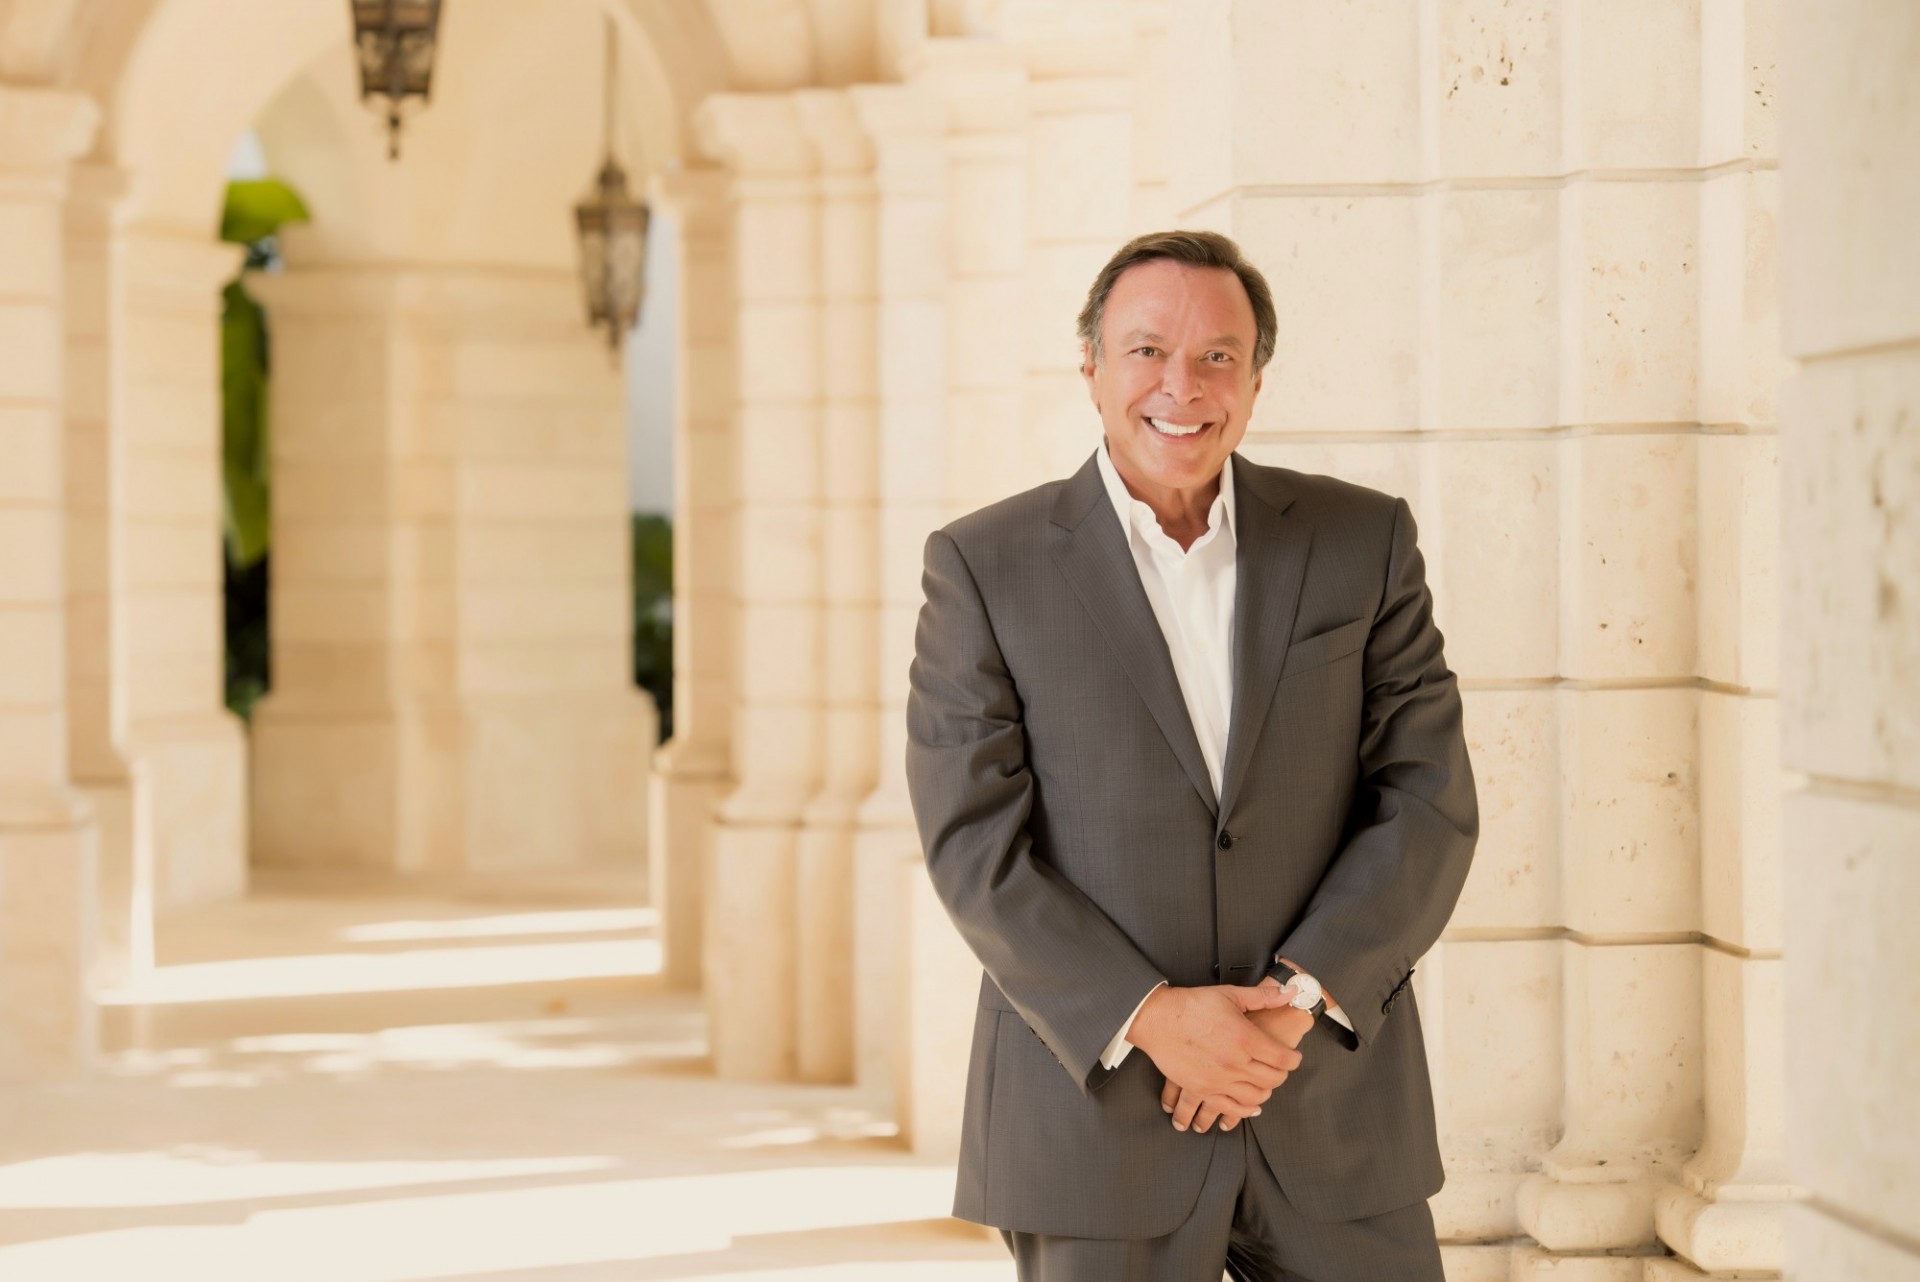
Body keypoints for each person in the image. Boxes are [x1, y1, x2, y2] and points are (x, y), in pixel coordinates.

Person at [903, 229, 1479, 1281]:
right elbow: (973, 848)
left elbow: (1428, 797)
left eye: (1219, 355)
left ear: (1256, 379)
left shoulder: (1365, 540)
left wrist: (1294, 1002)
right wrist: (1155, 1018)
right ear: (1090, 369)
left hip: (1332, 1106)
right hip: (1099, 1120)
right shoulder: (983, 567)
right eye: (1146, 351)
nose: (1184, 384)